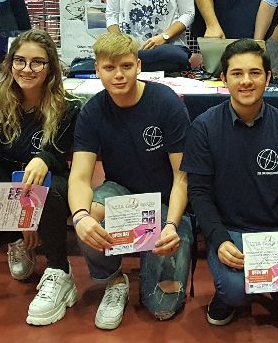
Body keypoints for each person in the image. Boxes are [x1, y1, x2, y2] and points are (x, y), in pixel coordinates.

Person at [182, 39, 278, 331]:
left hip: (276, 235)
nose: (246, 81)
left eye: (255, 73)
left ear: (268, 77)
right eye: (237, 73)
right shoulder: (204, 127)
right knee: (235, 290)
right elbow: (199, 194)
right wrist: (219, 239)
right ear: (224, 78)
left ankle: (270, 284)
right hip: (231, 231)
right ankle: (230, 295)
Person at [0, 30, 81, 326]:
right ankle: (19, 239)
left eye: (37, 62)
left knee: (50, 192)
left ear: (50, 67)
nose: (27, 69)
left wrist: (44, 159)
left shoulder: (68, 105)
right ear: (10, 63)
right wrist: (22, 217)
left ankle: (59, 270)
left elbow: (61, 156)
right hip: (8, 186)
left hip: (53, 187)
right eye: (20, 61)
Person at [68, 32, 193, 329]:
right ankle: (114, 280)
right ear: (97, 70)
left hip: (166, 202)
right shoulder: (93, 111)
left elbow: (182, 176)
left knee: (162, 308)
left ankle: (157, 252)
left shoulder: (165, 102)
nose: (119, 75)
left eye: (126, 66)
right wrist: (80, 216)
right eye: (109, 68)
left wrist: (172, 224)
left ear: (138, 65)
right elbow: (80, 177)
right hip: (121, 193)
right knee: (87, 216)